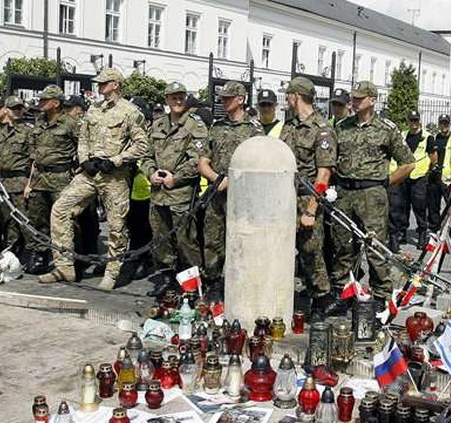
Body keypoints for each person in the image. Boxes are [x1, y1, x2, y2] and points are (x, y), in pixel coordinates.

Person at [39, 68, 148, 289]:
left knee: (117, 225)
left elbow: (142, 145)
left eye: (103, 83)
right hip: (89, 172)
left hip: (114, 176)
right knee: (60, 209)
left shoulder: (130, 111)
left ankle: (111, 272)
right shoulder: (93, 110)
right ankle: (64, 266)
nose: (99, 87)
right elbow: (83, 139)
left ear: (115, 84)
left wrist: (117, 160)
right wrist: (83, 160)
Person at [332, 81, 415, 304]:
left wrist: (384, 184)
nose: (355, 102)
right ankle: (342, 292)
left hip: (372, 194)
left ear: (373, 100)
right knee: (342, 245)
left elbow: (407, 164)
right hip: (344, 192)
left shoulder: (386, 129)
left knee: (375, 247)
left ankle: (380, 297)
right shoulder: (342, 127)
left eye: (360, 98)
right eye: (354, 98)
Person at [139, 82, 208, 295]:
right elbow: (146, 155)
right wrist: (151, 172)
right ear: (167, 100)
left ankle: (192, 286)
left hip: (182, 194)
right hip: (158, 194)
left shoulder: (195, 125)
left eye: (181, 97)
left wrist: (175, 178)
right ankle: (167, 280)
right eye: (173, 97)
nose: (177, 101)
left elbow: (197, 158)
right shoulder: (158, 125)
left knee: (186, 242)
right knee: (161, 240)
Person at [278, 77, 338, 315]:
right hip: (285, 197)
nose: (286, 99)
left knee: (311, 250)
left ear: (297, 96)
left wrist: (311, 210)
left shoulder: (322, 130)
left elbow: (323, 174)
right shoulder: (289, 126)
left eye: (288, 94)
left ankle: (322, 299)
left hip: (306, 198)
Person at [197, 81, 262, 294]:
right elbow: (203, 162)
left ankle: (243, 285)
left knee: (244, 241)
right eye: (222, 98)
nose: (223, 101)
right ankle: (212, 283)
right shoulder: (216, 127)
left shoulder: (254, 130)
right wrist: (218, 180)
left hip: (244, 197)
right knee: (213, 241)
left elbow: (259, 166)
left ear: (240, 99)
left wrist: (232, 182)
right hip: (217, 194)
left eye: (228, 98)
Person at [23, 85, 79, 275]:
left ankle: (68, 259)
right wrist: (29, 183)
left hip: (61, 178)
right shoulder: (38, 123)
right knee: (38, 219)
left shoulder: (70, 123)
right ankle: (41, 255)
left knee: (65, 221)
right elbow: (34, 157)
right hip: (40, 178)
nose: (40, 103)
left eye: (44, 100)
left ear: (56, 103)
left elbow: (82, 150)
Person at [0, 96, 33, 254]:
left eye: (19, 108)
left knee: (24, 220)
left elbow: (34, 160)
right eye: (13, 108)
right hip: (4, 183)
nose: (17, 111)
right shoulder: (1, 132)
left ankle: (32, 253)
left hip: (21, 180)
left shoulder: (28, 132)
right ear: (6, 109)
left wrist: (30, 184)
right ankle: (12, 251)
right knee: (7, 221)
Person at [388, 111, 430, 247]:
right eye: (411, 120)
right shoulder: (403, 135)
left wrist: (426, 170)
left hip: (418, 178)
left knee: (419, 207)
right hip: (404, 177)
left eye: (416, 120)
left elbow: (433, 157)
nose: (413, 123)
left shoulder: (427, 137)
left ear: (419, 121)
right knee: (401, 207)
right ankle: (402, 234)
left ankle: (422, 234)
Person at [425, 114, 451, 239]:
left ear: (450, 124)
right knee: (433, 205)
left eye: (446, 123)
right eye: (442, 123)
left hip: (450, 179)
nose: (444, 126)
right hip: (435, 177)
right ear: (439, 124)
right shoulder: (435, 138)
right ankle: (434, 230)